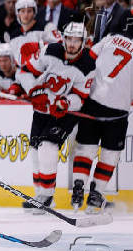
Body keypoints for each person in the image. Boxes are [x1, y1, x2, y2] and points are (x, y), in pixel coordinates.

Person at [17, 22, 96, 214]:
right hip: (42, 110)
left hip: (64, 114)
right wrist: (34, 90)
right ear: (63, 38)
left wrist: (66, 103)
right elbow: (25, 71)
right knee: (35, 150)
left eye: (76, 40)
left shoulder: (88, 64)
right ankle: (40, 195)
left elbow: (81, 96)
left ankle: (46, 195)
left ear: (83, 42)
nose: (71, 44)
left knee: (48, 147)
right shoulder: (50, 50)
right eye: (69, 39)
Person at [71, 25, 133, 213]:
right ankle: (96, 194)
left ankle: (78, 186)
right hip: (118, 109)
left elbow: (88, 58)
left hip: (93, 100)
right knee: (110, 153)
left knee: (86, 147)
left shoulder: (110, 38)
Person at [9, 0, 62, 68]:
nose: (26, 14)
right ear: (17, 13)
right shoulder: (14, 35)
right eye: (22, 11)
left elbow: (60, 46)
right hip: (23, 74)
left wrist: (40, 46)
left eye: (29, 11)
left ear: (34, 12)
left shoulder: (47, 27)